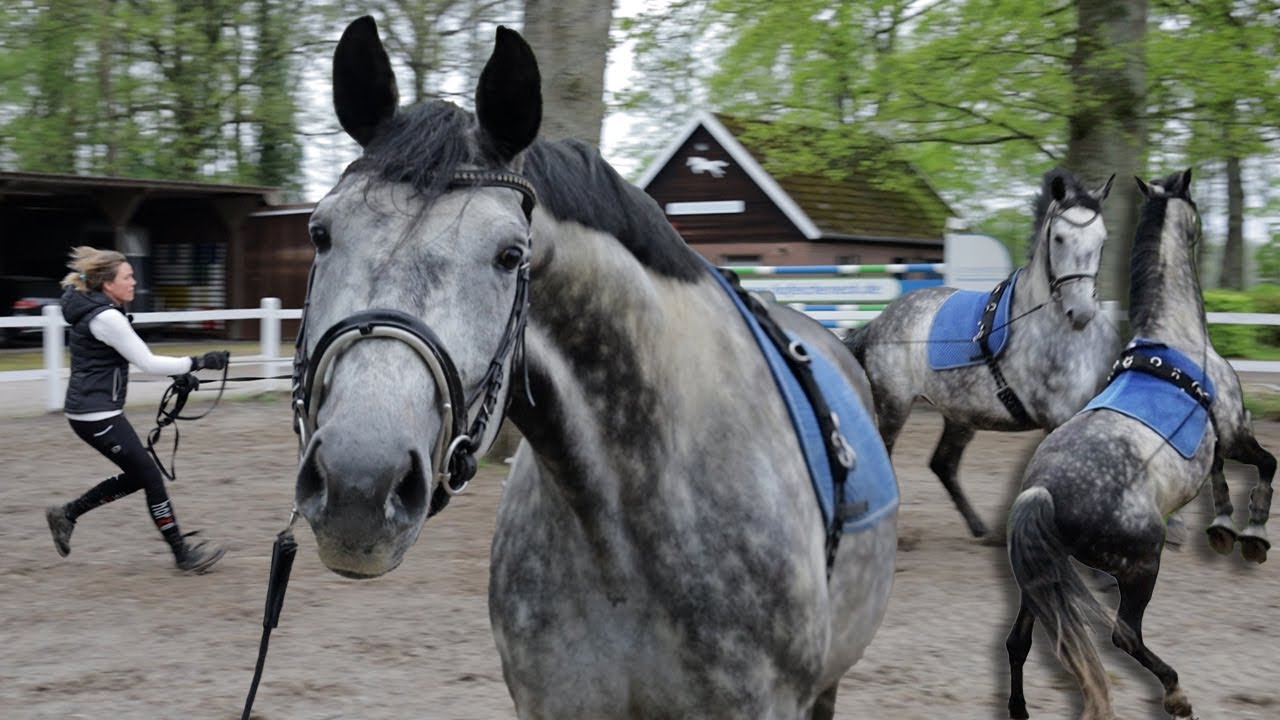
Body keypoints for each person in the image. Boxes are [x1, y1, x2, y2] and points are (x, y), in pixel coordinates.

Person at [45, 246, 230, 574]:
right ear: (107, 284)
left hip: (93, 412)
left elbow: (136, 355)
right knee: (150, 477)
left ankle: (67, 514)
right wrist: (199, 362)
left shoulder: (100, 311)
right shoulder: (106, 317)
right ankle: (182, 554)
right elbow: (146, 362)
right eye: (127, 277)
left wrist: (180, 373)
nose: (134, 282)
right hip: (95, 415)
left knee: (140, 475)